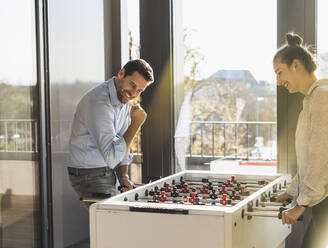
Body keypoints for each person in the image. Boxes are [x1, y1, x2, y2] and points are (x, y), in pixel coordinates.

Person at [68, 59, 154, 208]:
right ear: (121, 73)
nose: (133, 93)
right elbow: (112, 156)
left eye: (139, 90)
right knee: (112, 223)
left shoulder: (123, 98)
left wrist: (124, 176)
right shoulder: (100, 103)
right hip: (88, 175)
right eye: (132, 85)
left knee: (113, 224)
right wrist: (135, 124)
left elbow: (121, 141)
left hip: (105, 170)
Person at [274, 32, 328, 247]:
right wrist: (292, 191)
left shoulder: (322, 97)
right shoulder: (313, 99)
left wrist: (301, 204)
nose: (278, 82)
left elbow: (320, 155)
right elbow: (308, 157)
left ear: (296, 65)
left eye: (280, 73)